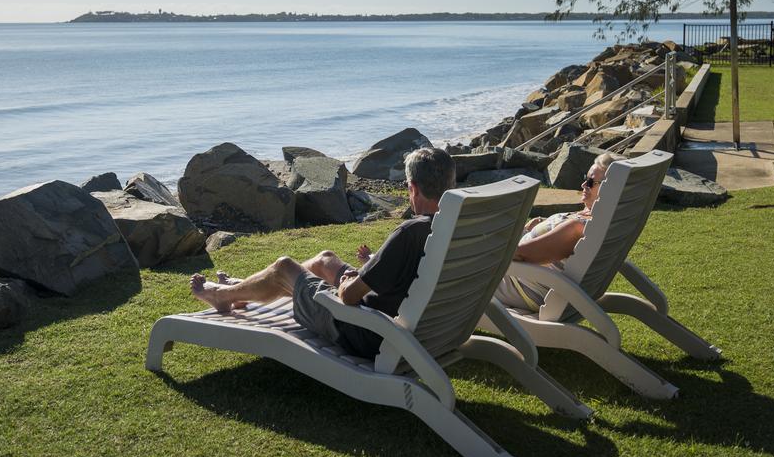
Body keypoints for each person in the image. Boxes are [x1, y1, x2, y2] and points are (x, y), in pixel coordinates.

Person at [190, 147, 456, 359]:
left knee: (284, 267)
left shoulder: (410, 233)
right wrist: (358, 275)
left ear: (413, 188)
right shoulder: (455, 228)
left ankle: (222, 295)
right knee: (325, 259)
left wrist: (344, 283)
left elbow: (349, 297)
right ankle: (249, 287)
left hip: (364, 331)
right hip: (410, 321)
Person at [493, 152, 623, 311]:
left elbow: (521, 255)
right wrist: (537, 227)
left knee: (462, 272)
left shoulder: (578, 227)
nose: (583, 185)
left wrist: (488, 250)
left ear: (610, 190)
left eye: (591, 182)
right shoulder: (602, 219)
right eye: (585, 178)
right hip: (524, 279)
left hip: (518, 285)